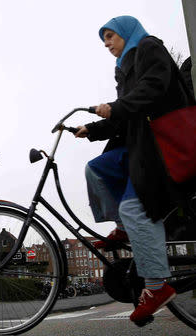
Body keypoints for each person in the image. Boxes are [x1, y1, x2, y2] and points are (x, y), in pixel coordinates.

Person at [74, 16, 193, 324]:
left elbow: (153, 88)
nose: (106, 43)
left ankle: (155, 286)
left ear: (128, 32)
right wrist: (94, 128)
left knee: (134, 207)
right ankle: (125, 228)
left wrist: (117, 107)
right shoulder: (123, 69)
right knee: (96, 169)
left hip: (160, 147)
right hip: (139, 144)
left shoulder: (149, 47)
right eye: (104, 39)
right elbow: (125, 112)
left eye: (111, 35)